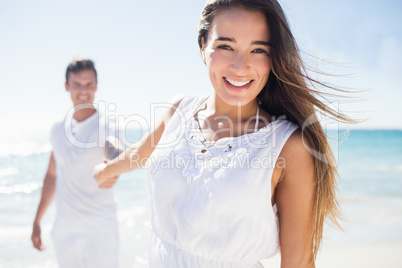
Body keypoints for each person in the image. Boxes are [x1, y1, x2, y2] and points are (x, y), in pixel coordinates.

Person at [94, 0, 353, 267]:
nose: (241, 67)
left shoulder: (289, 147)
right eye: (226, 46)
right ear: (203, 45)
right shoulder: (178, 111)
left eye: (258, 49)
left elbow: (298, 262)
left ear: (274, 57)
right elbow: (139, 154)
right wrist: (105, 171)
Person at [31, 58, 123, 268]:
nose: (84, 90)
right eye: (77, 84)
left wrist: (112, 169)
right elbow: (53, 174)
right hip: (65, 230)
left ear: (96, 86)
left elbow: (116, 149)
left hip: (100, 230)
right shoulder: (57, 129)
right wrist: (37, 220)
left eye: (89, 84)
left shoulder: (108, 124)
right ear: (67, 86)